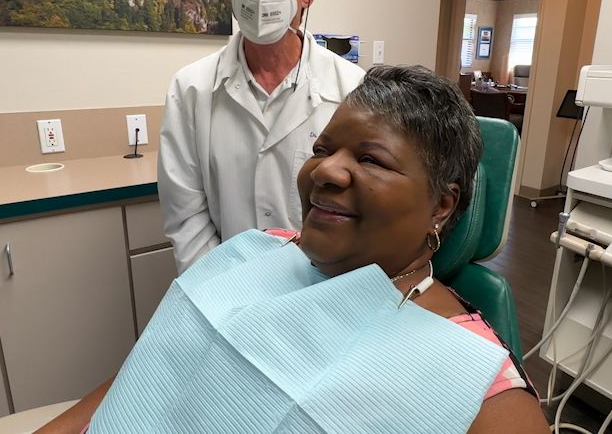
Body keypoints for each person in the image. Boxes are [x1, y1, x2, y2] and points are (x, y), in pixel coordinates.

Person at [37, 66, 548, 433]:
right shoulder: (258, 252)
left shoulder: (480, 387)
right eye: (323, 150)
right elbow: (148, 375)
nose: (324, 170)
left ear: (441, 204)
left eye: (371, 159)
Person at [158, 0, 364, 273]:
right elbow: (187, 221)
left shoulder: (353, 90)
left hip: (324, 290)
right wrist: (224, 298)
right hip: (226, 293)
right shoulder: (190, 90)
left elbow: (362, 215)